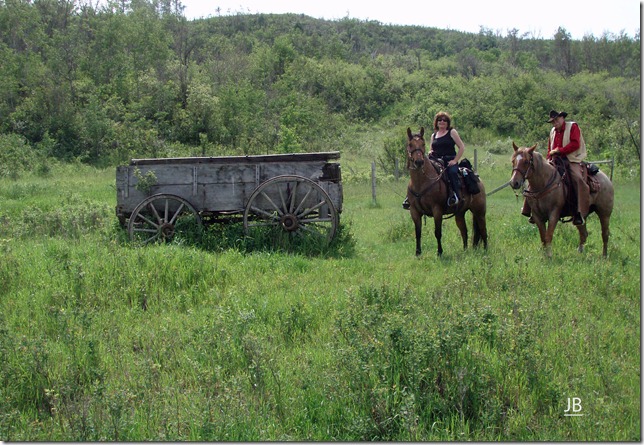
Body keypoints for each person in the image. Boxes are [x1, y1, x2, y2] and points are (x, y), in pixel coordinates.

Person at [521, 110, 589, 225]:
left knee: (577, 179)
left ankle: (578, 212)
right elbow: (549, 148)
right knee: (535, 177)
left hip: (571, 159)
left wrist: (559, 150)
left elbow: (575, 143)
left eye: (556, 120)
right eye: (553, 121)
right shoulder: (553, 131)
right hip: (554, 160)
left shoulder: (572, 127)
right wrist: (548, 159)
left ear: (563, 118)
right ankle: (530, 210)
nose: (554, 123)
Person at [403, 111, 466, 209]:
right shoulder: (434, 135)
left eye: (444, 120)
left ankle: (455, 196)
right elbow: (432, 148)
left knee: (452, 173)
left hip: (449, 160)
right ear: (436, 122)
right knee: (418, 172)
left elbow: (461, 147)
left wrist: (455, 160)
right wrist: (430, 152)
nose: (442, 122)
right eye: (439, 120)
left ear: (448, 122)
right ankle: (410, 197)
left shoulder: (452, 132)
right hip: (436, 160)